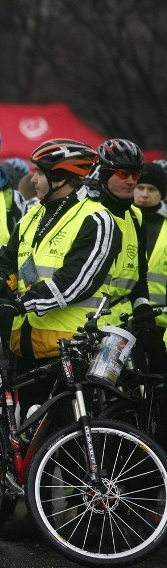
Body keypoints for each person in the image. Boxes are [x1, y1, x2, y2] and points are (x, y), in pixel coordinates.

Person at [0, 139, 117, 411]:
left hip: (69, 350)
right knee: (29, 438)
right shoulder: (33, 215)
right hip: (25, 347)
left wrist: (21, 304)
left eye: (40, 173)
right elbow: (3, 259)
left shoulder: (97, 219)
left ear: (61, 179)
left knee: (67, 439)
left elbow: (75, 282)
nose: (33, 179)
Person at [90, 139, 153, 328]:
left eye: (136, 174)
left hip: (121, 328)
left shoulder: (136, 216)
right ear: (104, 175)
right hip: (81, 325)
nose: (132, 181)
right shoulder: (87, 214)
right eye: (124, 173)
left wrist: (144, 311)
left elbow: (139, 276)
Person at [133, 163, 167, 446]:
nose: (144, 194)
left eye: (151, 189)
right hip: (129, 322)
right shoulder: (124, 219)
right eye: (139, 187)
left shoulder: (164, 226)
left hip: (161, 328)